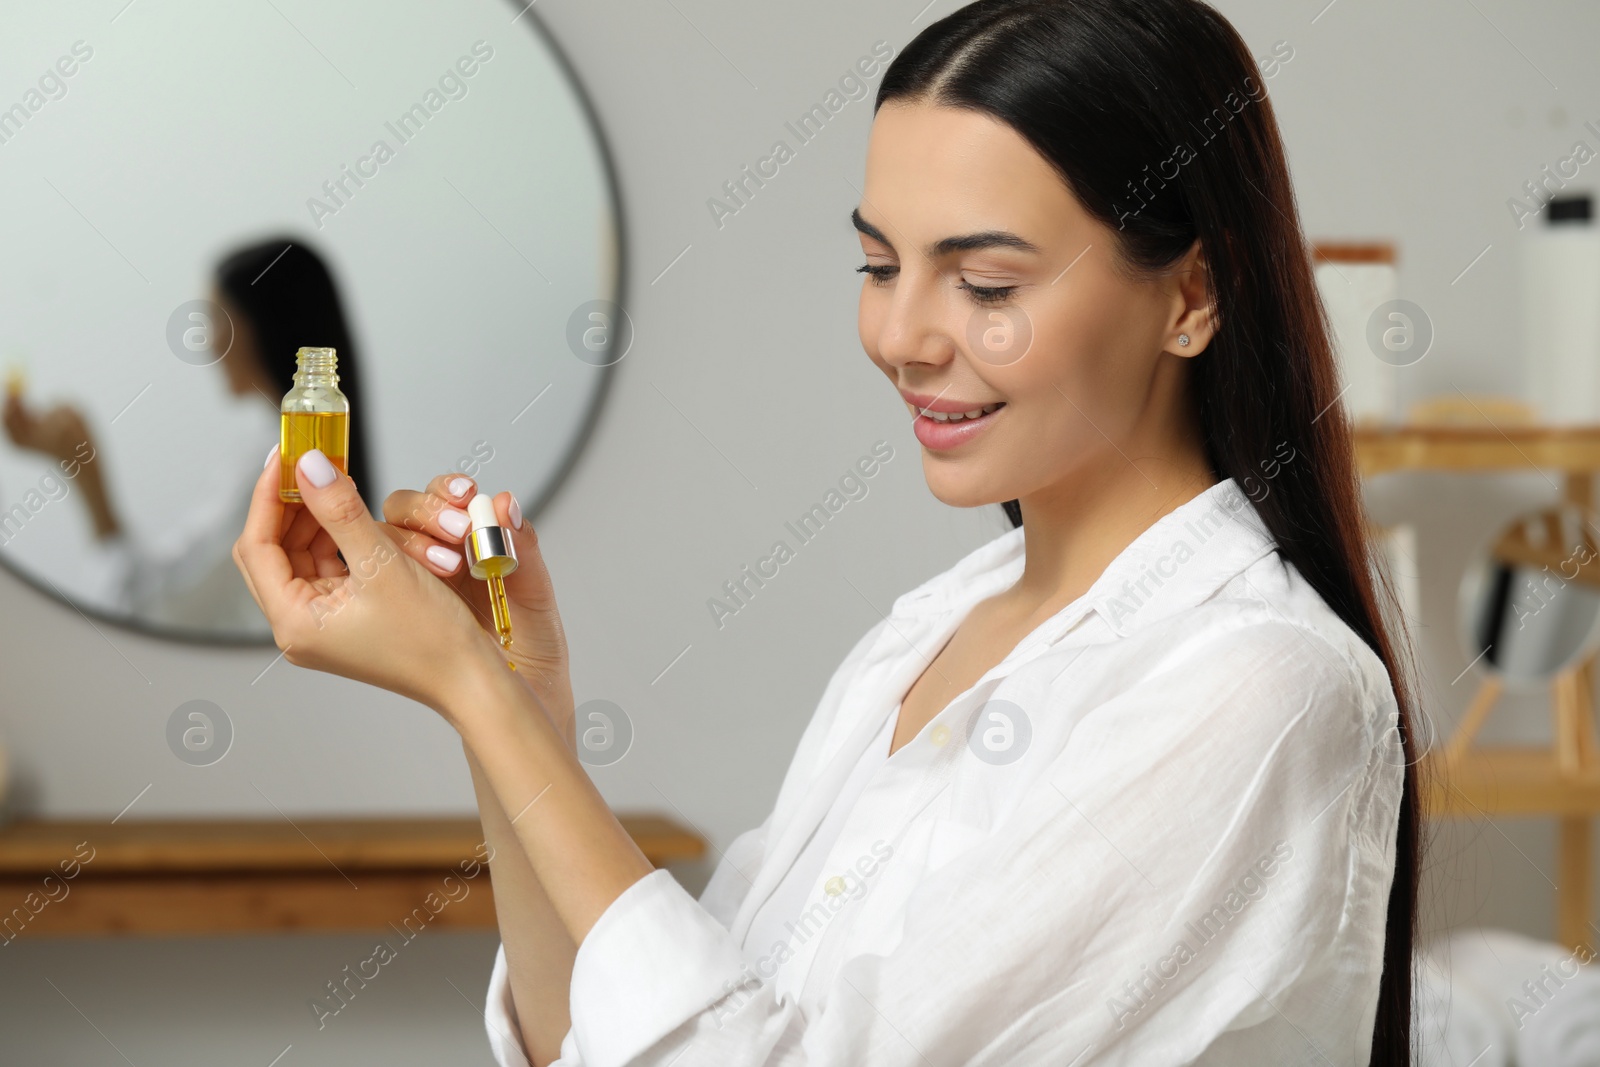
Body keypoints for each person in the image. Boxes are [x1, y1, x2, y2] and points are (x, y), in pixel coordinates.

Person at [233, 1, 1420, 1063]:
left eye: (986, 284)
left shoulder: (1260, 690)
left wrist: (471, 694)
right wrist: (508, 703)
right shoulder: (928, 634)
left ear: (1190, 296)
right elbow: (599, 1040)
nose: (901, 333)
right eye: (877, 262)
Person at [3, 238, 371, 632]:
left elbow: (149, 616)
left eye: (217, 320)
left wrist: (84, 472)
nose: (209, 343)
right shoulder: (273, 446)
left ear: (263, 325)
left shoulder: (279, 459)